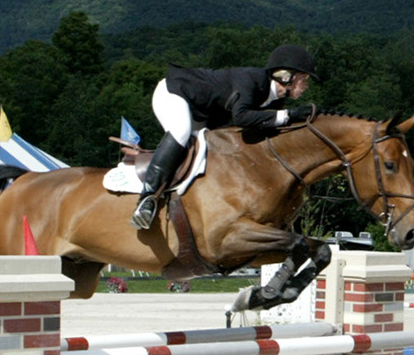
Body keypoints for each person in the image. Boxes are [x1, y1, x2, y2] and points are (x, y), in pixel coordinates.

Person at [130, 44, 319, 229]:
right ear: (287, 76)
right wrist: (288, 115)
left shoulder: (276, 100)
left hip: (201, 114)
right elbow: (242, 117)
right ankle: (146, 199)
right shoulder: (251, 79)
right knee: (181, 132)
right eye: (304, 80)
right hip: (175, 92)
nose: (305, 86)